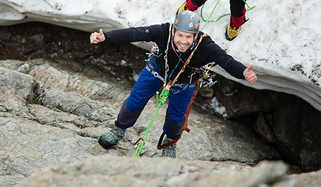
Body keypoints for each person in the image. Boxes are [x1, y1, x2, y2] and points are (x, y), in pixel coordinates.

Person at [89, 11, 257, 158]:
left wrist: (242, 72)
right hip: (156, 71)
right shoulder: (163, 32)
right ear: (174, 31)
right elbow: (135, 33)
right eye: (180, 35)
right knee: (134, 102)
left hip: (185, 82)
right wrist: (106, 37)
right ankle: (119, 129)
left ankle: (170, 143)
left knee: (177, 118)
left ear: (195, 36)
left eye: (188, 37)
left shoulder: (205, 45)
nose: (183, 41)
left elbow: (225, 60)